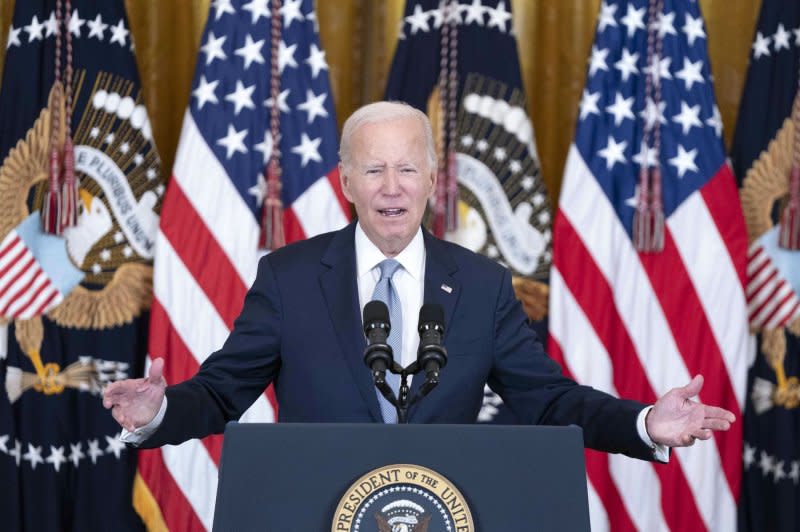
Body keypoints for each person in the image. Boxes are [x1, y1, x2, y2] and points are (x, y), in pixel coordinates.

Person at [103, 101, 734, 458]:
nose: (391, 187)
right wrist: (159, 412)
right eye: (373, 169)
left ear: (434, 179)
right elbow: (219, 394)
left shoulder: (483, 285)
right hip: (316, 514)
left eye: (407, 168)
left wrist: (647, 423)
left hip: (442, 512)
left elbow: (549, 401)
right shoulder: (289, 278)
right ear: (346, 182)